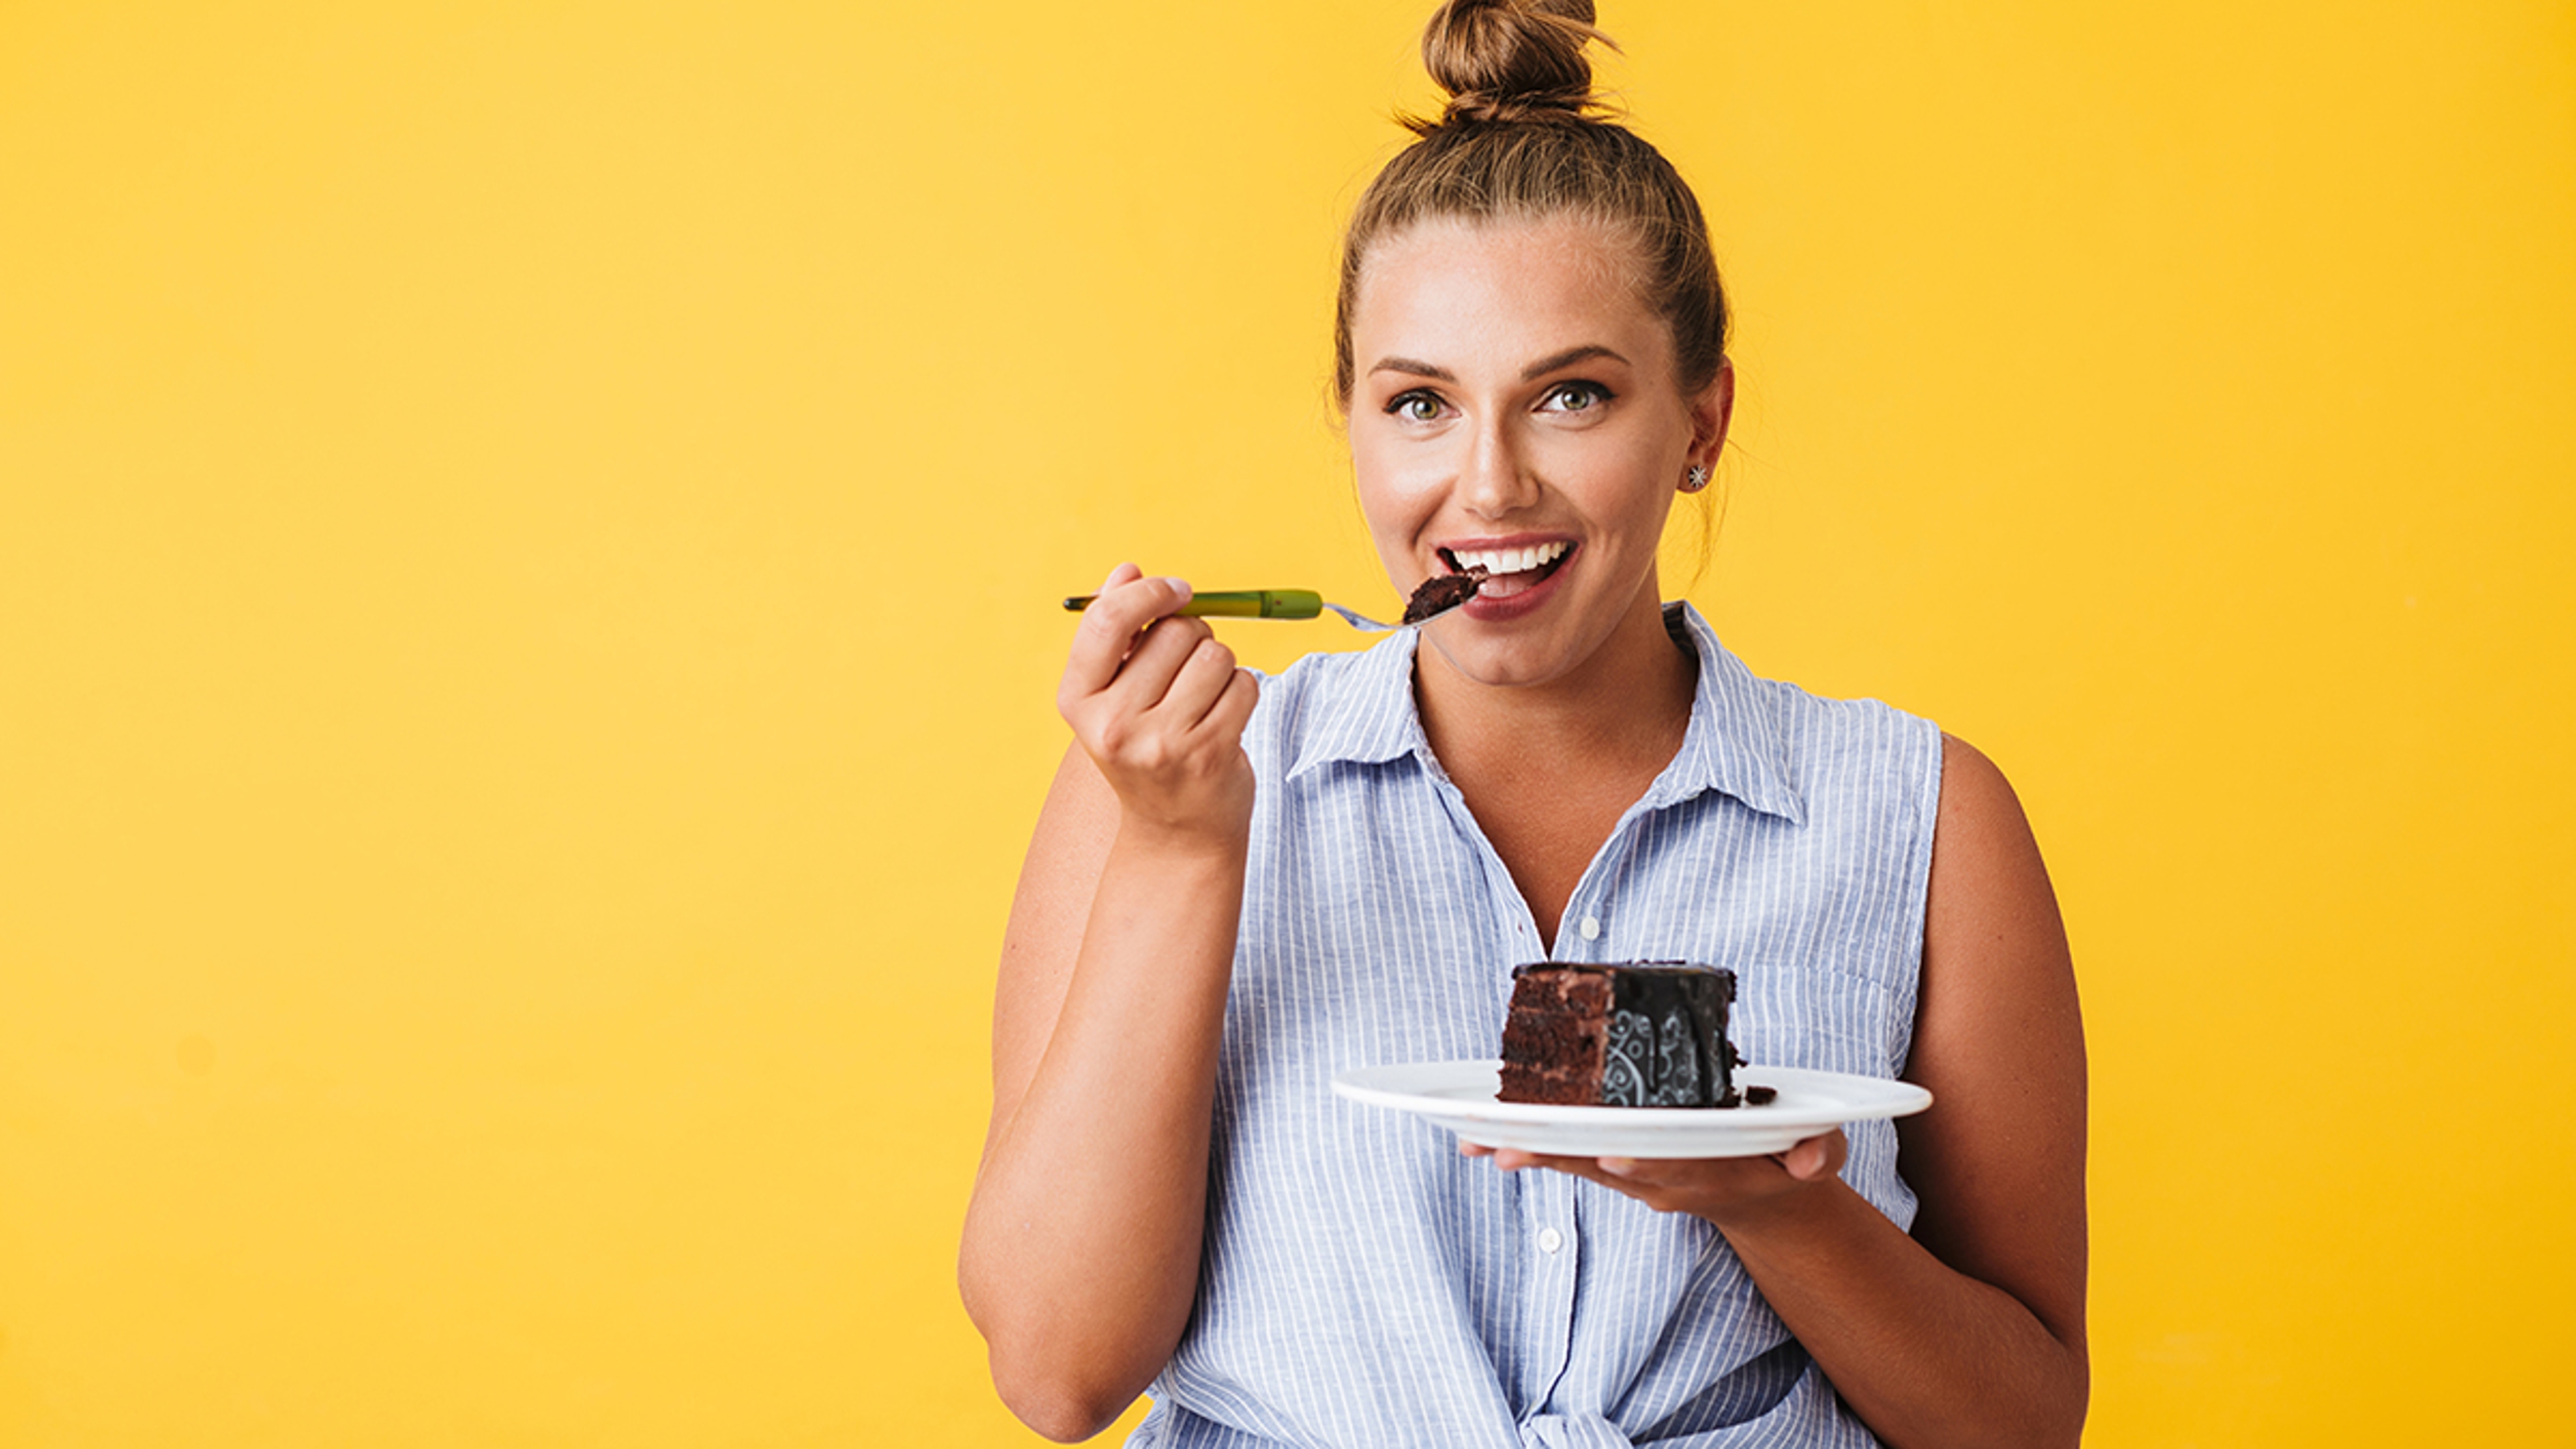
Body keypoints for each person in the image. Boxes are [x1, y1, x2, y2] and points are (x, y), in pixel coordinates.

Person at [958, 3, 2087, 1444]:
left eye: (1571, 395)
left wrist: (1762, 1201)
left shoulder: (1922, 817)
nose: (1486, 490)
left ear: (1700, 426)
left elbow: (2027, 1421)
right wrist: (1184, 856)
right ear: (1351, 422)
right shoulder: (1165, 787)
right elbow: (1057, 1376)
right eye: (1420, 403)